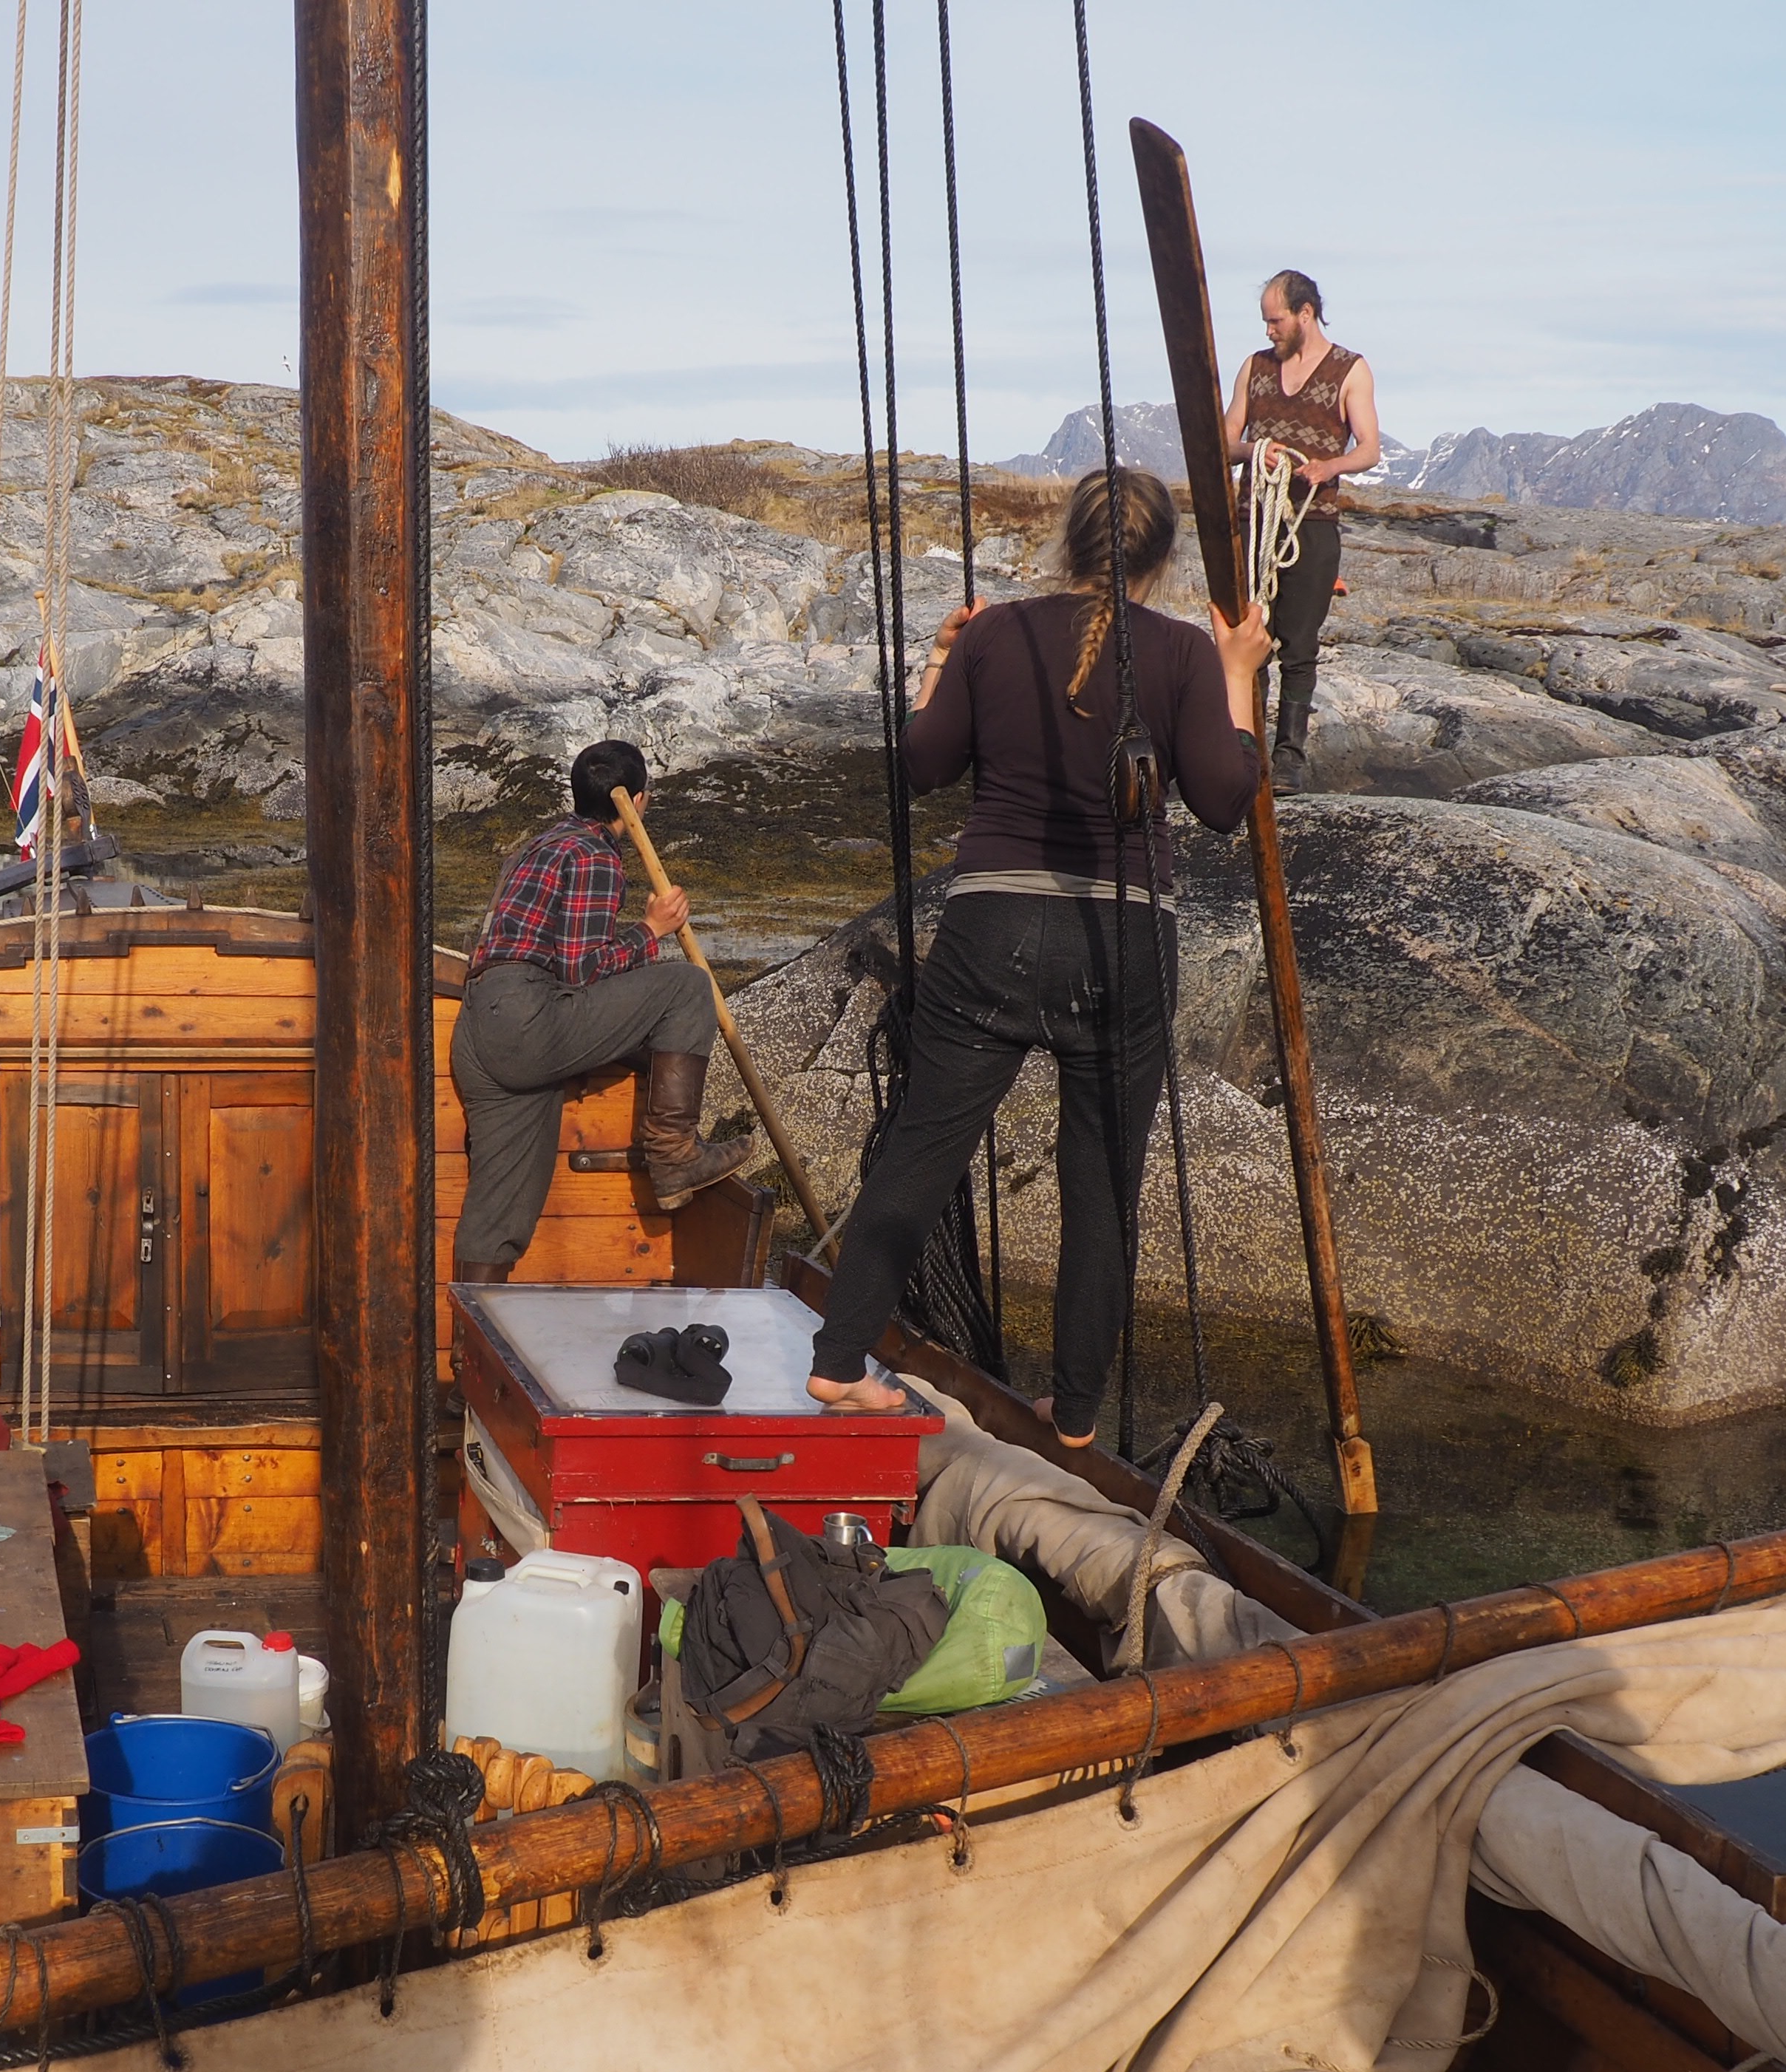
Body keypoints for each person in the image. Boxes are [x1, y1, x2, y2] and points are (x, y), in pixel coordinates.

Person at [804, 469, 1269, 1440]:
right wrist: (1238, 673)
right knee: (1101, 1186)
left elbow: (924, 763)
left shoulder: (996, 634)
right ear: (1163, 557)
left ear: (1066, 540)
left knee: (921, 1149)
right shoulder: (1182, 651)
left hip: (993, 926)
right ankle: (1076, 1416)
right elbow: (1227, 799)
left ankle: (838, 1364)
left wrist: (941, 659)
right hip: (1124, 938)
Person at [449, 739, 756, 1283]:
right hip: (530, 1017)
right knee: (686, 987)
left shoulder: (539, 843)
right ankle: (675, 1157)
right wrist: (652, 930)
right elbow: (581, 971)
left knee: (500, 1211)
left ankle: (466, 1331)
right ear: (634, 801)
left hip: (480, 1027)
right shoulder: (594, 854)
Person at [1219, 267, 1379, 785]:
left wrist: (1329, 467)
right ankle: (1246, 751)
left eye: (1276, 321)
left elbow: (1369, 449)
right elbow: (1224, 442)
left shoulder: (1350, 370)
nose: (1269, 331)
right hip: (1254, 522)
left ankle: (1289, 758)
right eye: (1266, 322)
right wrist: (1255, 451)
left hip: (1313, 524)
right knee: (1251, 636)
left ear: (1305, 314)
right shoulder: (1255, 367)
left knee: (1299, 644)